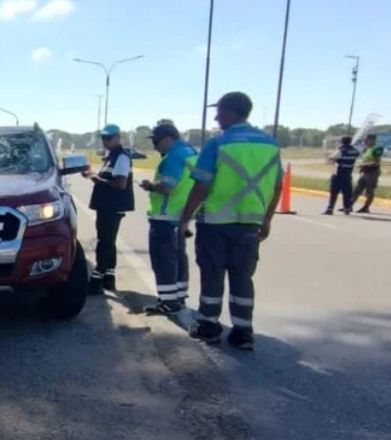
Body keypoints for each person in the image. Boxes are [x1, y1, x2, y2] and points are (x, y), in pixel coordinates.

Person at [177, 92, 282, 351]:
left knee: (213, 274)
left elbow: (202, 185)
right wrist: (267, 220)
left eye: (220, 111)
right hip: (249, 225)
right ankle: (243, 331)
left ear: (232, 112)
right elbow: (278, 186)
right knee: (242, 277)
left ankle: (208, 327)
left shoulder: (218, 144)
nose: (216, 116)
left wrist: (184, 219)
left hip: (215, 222)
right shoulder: (270, 145)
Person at [138, 123, 197, 315]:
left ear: (168, 139)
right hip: (182, 214)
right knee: (179, 256)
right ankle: (178, 295)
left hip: (165, 214)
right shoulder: (191, 153)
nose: (155, 146)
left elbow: (167, 187)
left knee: (163, 259)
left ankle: (168, 302)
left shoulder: (172, 158)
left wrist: (150, 186)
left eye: (156, 141)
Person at [82, 124, 134, 294]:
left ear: (118, 138)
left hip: (113, 205)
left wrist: (96, 179)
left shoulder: (121, 157)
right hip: (107, 205)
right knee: (108, 241)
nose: (105, 141)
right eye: (104, 138)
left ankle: (97, 277)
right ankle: (109, 278)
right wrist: (92, 174)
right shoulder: (111, 157)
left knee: (105, 242)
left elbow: (120, 183)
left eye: (109, 138)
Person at [324, 135, 360, 215]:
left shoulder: (341, 150)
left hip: (338, 173)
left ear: (342, 142)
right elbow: (357, 155)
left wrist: (330, 158)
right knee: (347, 192)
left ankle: (330, 208)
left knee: (334, 192)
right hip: (348, 174)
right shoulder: (354, 150)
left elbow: (332, 159)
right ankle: (347, 208)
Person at [353, 133, 384, 214]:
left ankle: (366, 207)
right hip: (365, 171)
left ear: (372, 140)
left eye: (366, 139)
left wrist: (363, 165)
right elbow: (365, 159)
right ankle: (349, 205)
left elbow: (376, 163)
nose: (365, 141)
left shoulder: (377, 148)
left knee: (369, 191)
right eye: (364, 139)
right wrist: (362, 167)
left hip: (372, 172)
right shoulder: (366, 148)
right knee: (357, 189)